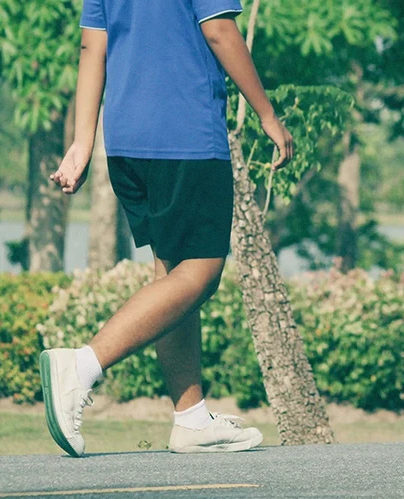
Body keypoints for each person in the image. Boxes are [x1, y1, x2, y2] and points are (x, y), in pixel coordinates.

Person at [40, 0, 293, 457]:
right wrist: (267, 114)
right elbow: (219, 32)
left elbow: (91, 49)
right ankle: (82, 365)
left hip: (127, 143)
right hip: (186, 136)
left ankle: (191, 419)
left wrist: (82, 142)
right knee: (200, 275)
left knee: (172, 278)